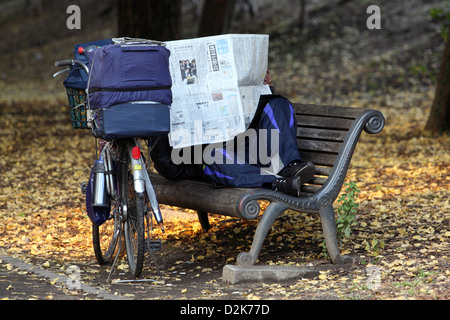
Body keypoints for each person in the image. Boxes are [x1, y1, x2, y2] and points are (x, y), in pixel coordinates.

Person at [150, 71, 315, 197]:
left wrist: (261, 85)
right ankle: (278, 182)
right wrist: (157, 121)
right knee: (211, 155)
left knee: (278, 104)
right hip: (219, 159)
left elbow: (257, 110)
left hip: (250, 145)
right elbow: (170, 168)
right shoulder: (158, 114)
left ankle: (289, 167)